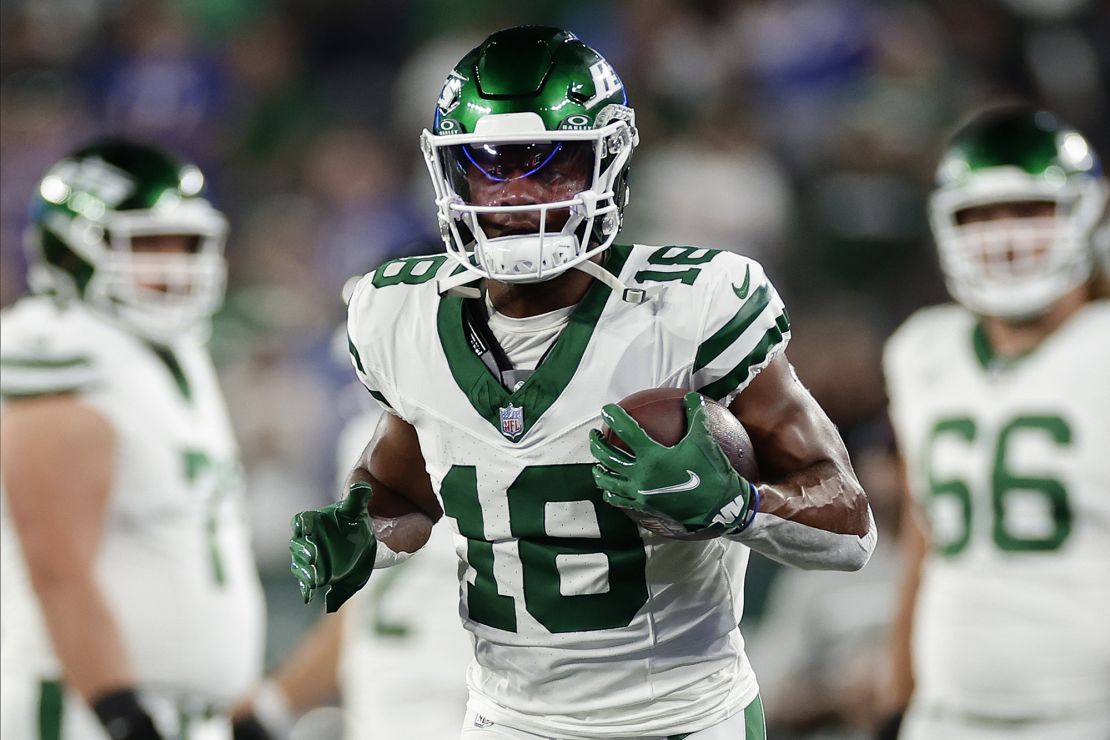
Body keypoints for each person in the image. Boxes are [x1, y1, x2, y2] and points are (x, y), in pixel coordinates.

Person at [290, 26, 876, 740]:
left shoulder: (691, 305)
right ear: (450, 175)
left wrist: (737, 506)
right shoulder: (398, 315)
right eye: (489, 167)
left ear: (609, 163)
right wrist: (361, 530)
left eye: (550, 166)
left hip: (683, 719)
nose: (517, 195)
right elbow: (405, 491)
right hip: (508, 721)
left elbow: (850, 526)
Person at [0, 138, 265, 739]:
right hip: (87, 711)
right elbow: (58, 570)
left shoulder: (177, 355)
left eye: (186, 244)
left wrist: (240, 703)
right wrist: (121, 712)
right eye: (147, 244)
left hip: (190, 714)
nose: (175, 265)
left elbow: (192, 556)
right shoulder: (60, 354)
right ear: (70, 250)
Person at [882, 106, 1110, 740]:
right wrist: (896, 693)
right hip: (948, 711)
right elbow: (922, 543)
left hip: (1088, 713)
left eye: (1029, 210)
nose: (1005, 236)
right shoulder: (920, 350)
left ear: (1085, 213)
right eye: (981, 215)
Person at [232, 325, 470, 740]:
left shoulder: (367, 443)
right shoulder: (467, 443)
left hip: (418, 700)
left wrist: (270, 704)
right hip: (438, 697)